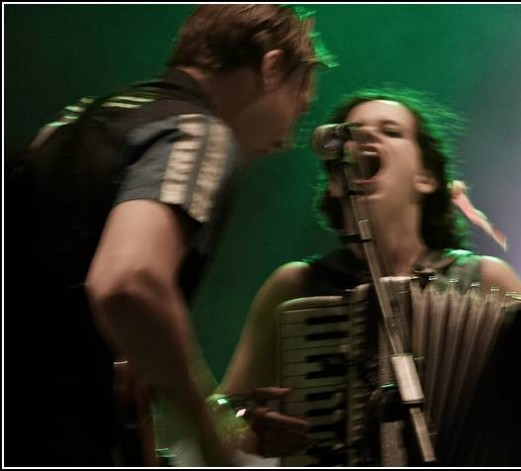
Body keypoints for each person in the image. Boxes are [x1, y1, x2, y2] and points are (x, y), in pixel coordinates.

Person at [4, 5, 334, 467]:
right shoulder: (196, 130)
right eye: (299, 106)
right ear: (272, 67)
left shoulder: (72, 125)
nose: (288, 138)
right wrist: (208, 437)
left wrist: (222, 411)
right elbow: (130, 284)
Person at [215, 88, 521, 464]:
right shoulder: (295, 286)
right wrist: (245, 423)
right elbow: (220, 410)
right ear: (336, 183)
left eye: (391, 131)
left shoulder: (486, 279)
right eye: (352, 132)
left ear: (426, 177)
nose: (366, 136)